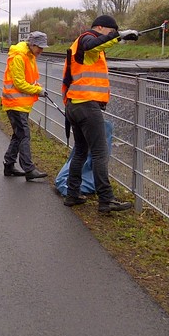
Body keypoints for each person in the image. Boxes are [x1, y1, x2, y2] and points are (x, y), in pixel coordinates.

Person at [61, 15, 138, 213]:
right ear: (101, 28)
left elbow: (96, 47)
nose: (111, 36)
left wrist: (120, 37)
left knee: (80, 151)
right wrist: (119, 36)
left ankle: (72, 194)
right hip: (86, 105)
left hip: (75, 104)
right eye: (110, 32)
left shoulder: (83, 44)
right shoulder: (87, 38)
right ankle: (106, 199)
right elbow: (92, 44)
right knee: (99, 153)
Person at [2, 30, 49, 181]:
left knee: (18, 135)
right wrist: (37, 90)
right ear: (32, 44)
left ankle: (9, 166)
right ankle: (28, 169)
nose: (41, 50)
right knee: (24, 136)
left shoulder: (30, 56)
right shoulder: (19, 57)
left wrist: (38, 87)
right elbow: (20, 83)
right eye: (39, 47)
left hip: (21, 104)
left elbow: (29, 80)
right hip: (15, 103)